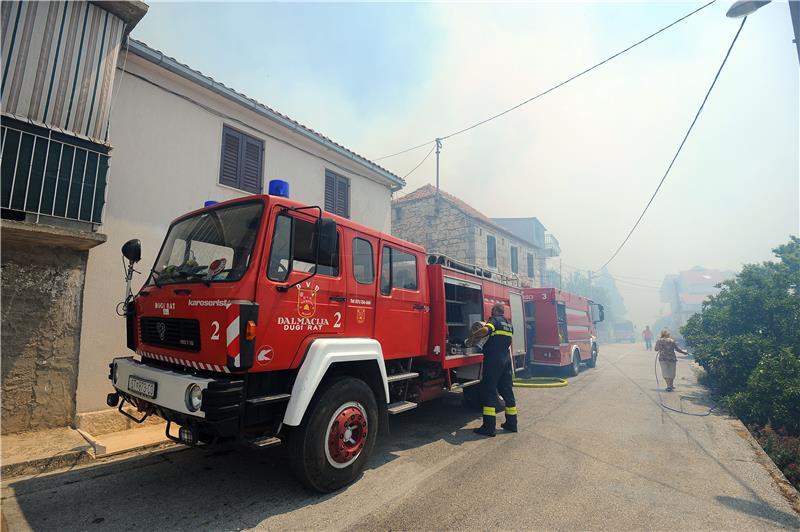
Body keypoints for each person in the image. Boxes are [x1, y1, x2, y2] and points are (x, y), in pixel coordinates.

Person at [469, 302, 517, 437]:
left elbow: (486, 330)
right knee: (507, 391)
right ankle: (512, 423)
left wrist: (474, 335)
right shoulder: (509, 324)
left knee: (489, 391)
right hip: (506, 360)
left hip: (494, 360)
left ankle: (489, 427)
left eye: (492, 310)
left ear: (496, 310)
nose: (491, 312)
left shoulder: (494, 321)